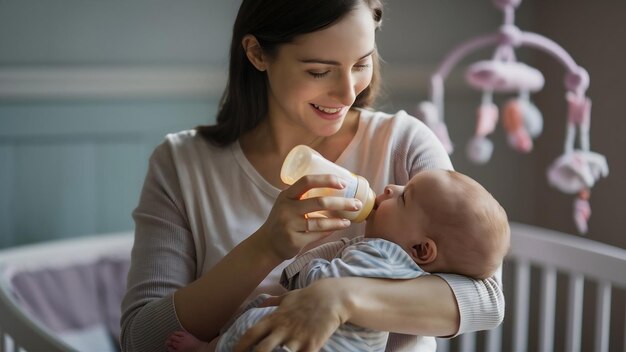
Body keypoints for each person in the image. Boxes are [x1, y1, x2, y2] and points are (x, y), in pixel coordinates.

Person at [120, 1, 505, 351]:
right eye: (320, 71)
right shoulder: (181, 165)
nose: (347, 93)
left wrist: (338, 299)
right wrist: (265, 248)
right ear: (257, 54)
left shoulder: (402, 143)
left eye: (361, 64)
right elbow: (144, 340)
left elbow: (485, 300)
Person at [167, 169, 510, 352]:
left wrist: (313, 270)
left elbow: (318, 285)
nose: (391, 187)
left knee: (258, 321)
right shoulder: (387, 259)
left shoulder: (381, 254)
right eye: (318, 69)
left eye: (405, 198)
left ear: (421, 250)